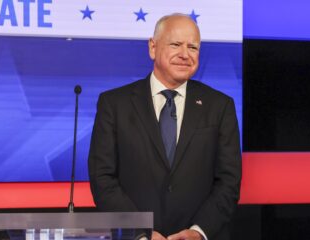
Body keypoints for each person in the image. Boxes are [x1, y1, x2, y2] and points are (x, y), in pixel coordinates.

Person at [88, 13, 241, 240]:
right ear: (153, 47)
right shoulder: (114, 104)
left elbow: (228, 181)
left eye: (193, 47)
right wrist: (139, 232)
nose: (185, 54)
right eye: (176, 44)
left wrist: (198, 232)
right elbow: (103, 178)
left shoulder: (220, 106)